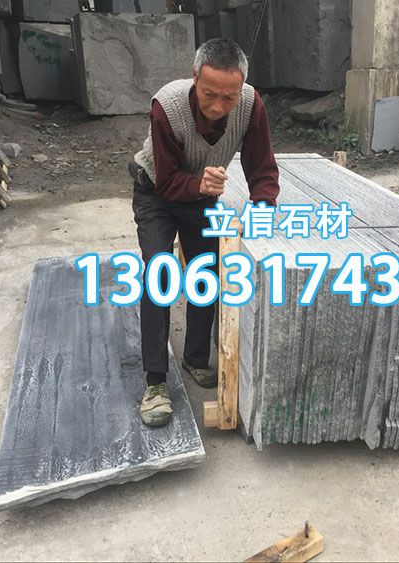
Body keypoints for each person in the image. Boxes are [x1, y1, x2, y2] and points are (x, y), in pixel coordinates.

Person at [129, 38, 279, 427]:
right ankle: (155, 381)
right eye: (209, 94)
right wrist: (198, 184)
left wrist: (263, 212)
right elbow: (165, 181)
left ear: (242, 87)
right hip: (156, 193)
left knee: (207, 270)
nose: (218, 106)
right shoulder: (166, 107)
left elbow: (262, 167)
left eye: (229, 98)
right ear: (195, 77)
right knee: (159, 272)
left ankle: (195, 358)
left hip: (202, 196)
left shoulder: (251, 105)